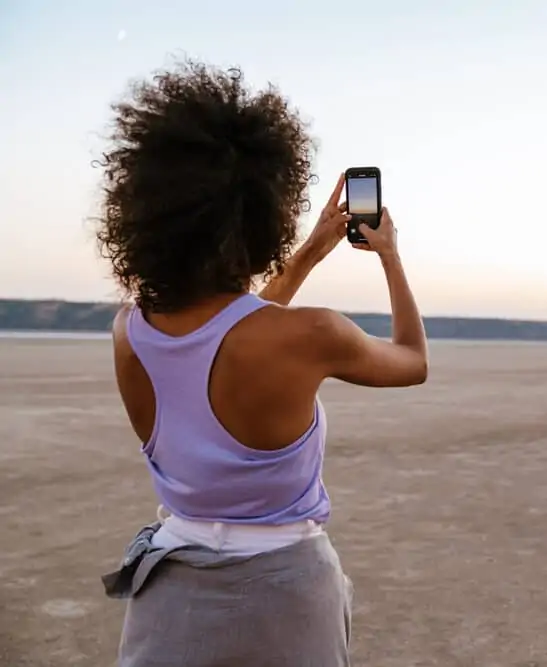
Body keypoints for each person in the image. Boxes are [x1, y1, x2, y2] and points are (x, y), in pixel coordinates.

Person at [95, 59, 428, 667]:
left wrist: (306, 258)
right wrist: (390, 256)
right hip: (286, 594)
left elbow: (221, 337)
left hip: (169, 589)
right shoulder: (310, 333)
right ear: (261, 208)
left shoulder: (130, 331)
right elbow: (412, 360)